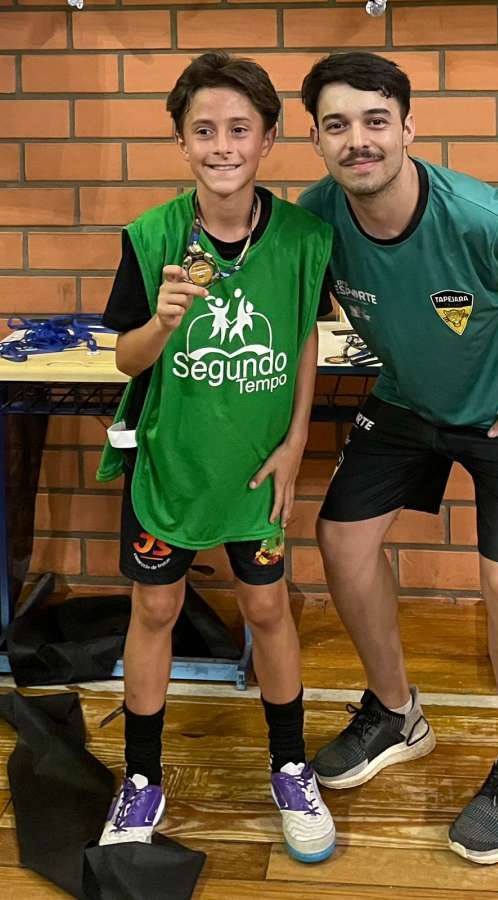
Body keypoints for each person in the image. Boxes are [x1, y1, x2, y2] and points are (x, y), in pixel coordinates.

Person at [298, 51, 498, 865]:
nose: (358, 139)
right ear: (316, 139)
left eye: (375, 120)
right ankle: (394, 712)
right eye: (337, 124)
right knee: (340, 541)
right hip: (406, 401)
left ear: (408, 127)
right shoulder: (318, 213)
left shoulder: (483, 217)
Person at [95, 51, 336, 864]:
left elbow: (302, 337)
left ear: (269, 138)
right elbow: (125, 360)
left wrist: (297, 441)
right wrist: (162, 323)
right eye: (204, 130)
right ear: (181, 141)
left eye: (239, 129)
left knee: (267, 609)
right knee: (155, 610)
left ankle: (289, 765)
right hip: (170, 464)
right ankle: (141, 777)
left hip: (256, 468)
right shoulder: (152, 236)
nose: (222, 146)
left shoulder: (305, 239)